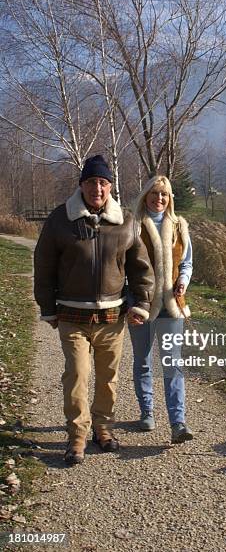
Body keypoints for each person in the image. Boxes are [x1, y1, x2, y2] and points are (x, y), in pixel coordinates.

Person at [34, 155, 154, 465]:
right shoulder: (60, 219)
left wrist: (140, 303)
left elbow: (141, 269)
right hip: (72, 315)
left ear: (110, 186)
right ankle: (76, 437)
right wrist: (47, 307)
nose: (96, 188)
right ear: (81, 185)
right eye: (90, 182)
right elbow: (44, 266)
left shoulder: (126, 221)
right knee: (77, 374)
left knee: (108, 376)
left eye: (102, 183)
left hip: (112, 317)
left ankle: (103, 429)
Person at [128, 175, 193, 444]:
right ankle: (147, 412)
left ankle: (178, 423)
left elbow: (187, 263)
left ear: (170, 199)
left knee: (172, 365)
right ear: (146, 196)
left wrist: (182, 281)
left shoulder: (179, 226)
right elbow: (123, 266)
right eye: (154, 194)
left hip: (171, 307)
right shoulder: (132, 226)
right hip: (141, 305)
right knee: (143, 361)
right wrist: (128, 301)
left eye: (164, 195)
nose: (159, 199)